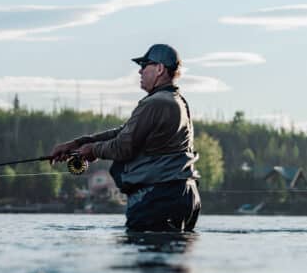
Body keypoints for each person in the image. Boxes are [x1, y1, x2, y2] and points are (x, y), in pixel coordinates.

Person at [50, 44, 201, 232]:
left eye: (145, 65)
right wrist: (79, 144)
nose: (140, 71)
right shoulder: (176, 101)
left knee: (147, 258)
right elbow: (124, 132)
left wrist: (93, 150)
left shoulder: (156, 103)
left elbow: (123, 146)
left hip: (159, 197)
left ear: (160, 68)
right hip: (182, 194)